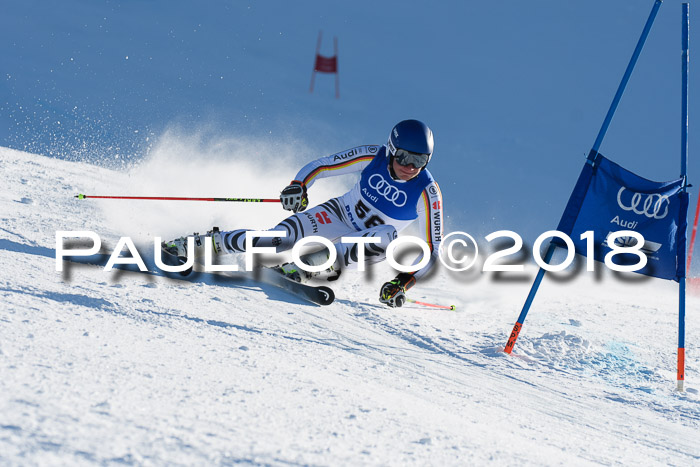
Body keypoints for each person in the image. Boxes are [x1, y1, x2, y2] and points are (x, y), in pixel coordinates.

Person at [163, 119, 443, 307]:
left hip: (365, 243)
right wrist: (299, 186)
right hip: (336, 214)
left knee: (387, 236)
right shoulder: (373, 156)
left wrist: (403, 281)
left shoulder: (427, 192)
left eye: (420, 160)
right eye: (405, 157)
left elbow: (432, 249)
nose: (411, 166)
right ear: (392, 150)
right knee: (276, 240)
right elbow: (323, 165)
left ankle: (303, 269)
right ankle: (198, 244)